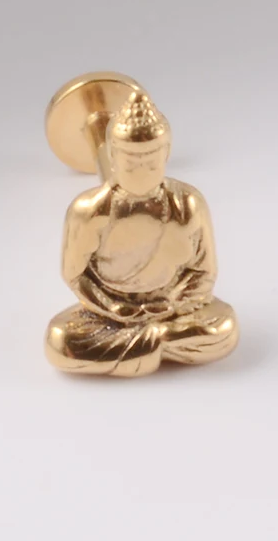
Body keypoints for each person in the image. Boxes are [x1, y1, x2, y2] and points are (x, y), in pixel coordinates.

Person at [45, 92, 238, 376]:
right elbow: (74, 275)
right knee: (61, 340)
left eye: (151, 163)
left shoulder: (187, 204)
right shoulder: (90, 211)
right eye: (131, 164)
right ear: (112, 157)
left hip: (173, 309)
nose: (142, 173)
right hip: (109, 314)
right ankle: (161, 343)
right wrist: (112, 306)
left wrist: (170, 302)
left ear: (166, 155)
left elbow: (204, 272)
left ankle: (146, 344)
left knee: (224, 326)